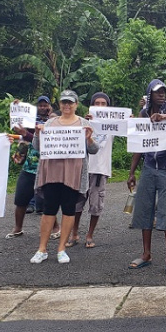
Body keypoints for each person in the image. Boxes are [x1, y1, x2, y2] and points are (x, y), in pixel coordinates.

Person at [29, 90, 99, 264]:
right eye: (64, 102)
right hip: (52, 173)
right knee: (49, 210)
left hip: (73, 174)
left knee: (69, 210)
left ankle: (61, 249)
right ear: (59, 104)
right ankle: (42, 248)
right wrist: (38, 133)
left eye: (70, 102)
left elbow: (94, 149)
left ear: (76, 104)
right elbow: (37, 147)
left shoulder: (84, 124)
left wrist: (89, 139)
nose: (67, 106)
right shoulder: (50, 123)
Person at [127, 79, 166, 275]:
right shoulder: (143, 114)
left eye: (163, 91)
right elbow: (138, 145)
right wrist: (131, 172)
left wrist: (164, 116)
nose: (161, 94)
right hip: (149, 168)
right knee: (145, 210)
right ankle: (146, 254)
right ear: (149, 94)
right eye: (157, 92)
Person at [7, 96, 60, 239]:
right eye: (40, 105)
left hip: (47, 167)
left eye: (45, 105)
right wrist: (17, 107)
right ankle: (17, 228)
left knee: (49, 201)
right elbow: (24, 137)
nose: (43, 107)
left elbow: (45, 140)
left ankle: (56, 228)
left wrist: (26, 134)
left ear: (50, 107)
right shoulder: (32, 120)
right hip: (30, 165)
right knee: (20, 198)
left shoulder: (55, 122)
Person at [69, 92, 115, 248]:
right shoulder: (83, 122)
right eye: (97, 103)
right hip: (83, 168)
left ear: (108, 107)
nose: (100, 106)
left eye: (104, 104)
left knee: (96, 205)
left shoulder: (114, 123)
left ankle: (89, 235)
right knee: (77, 204)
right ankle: (74, 233)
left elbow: (131, 126)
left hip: (100, 169)